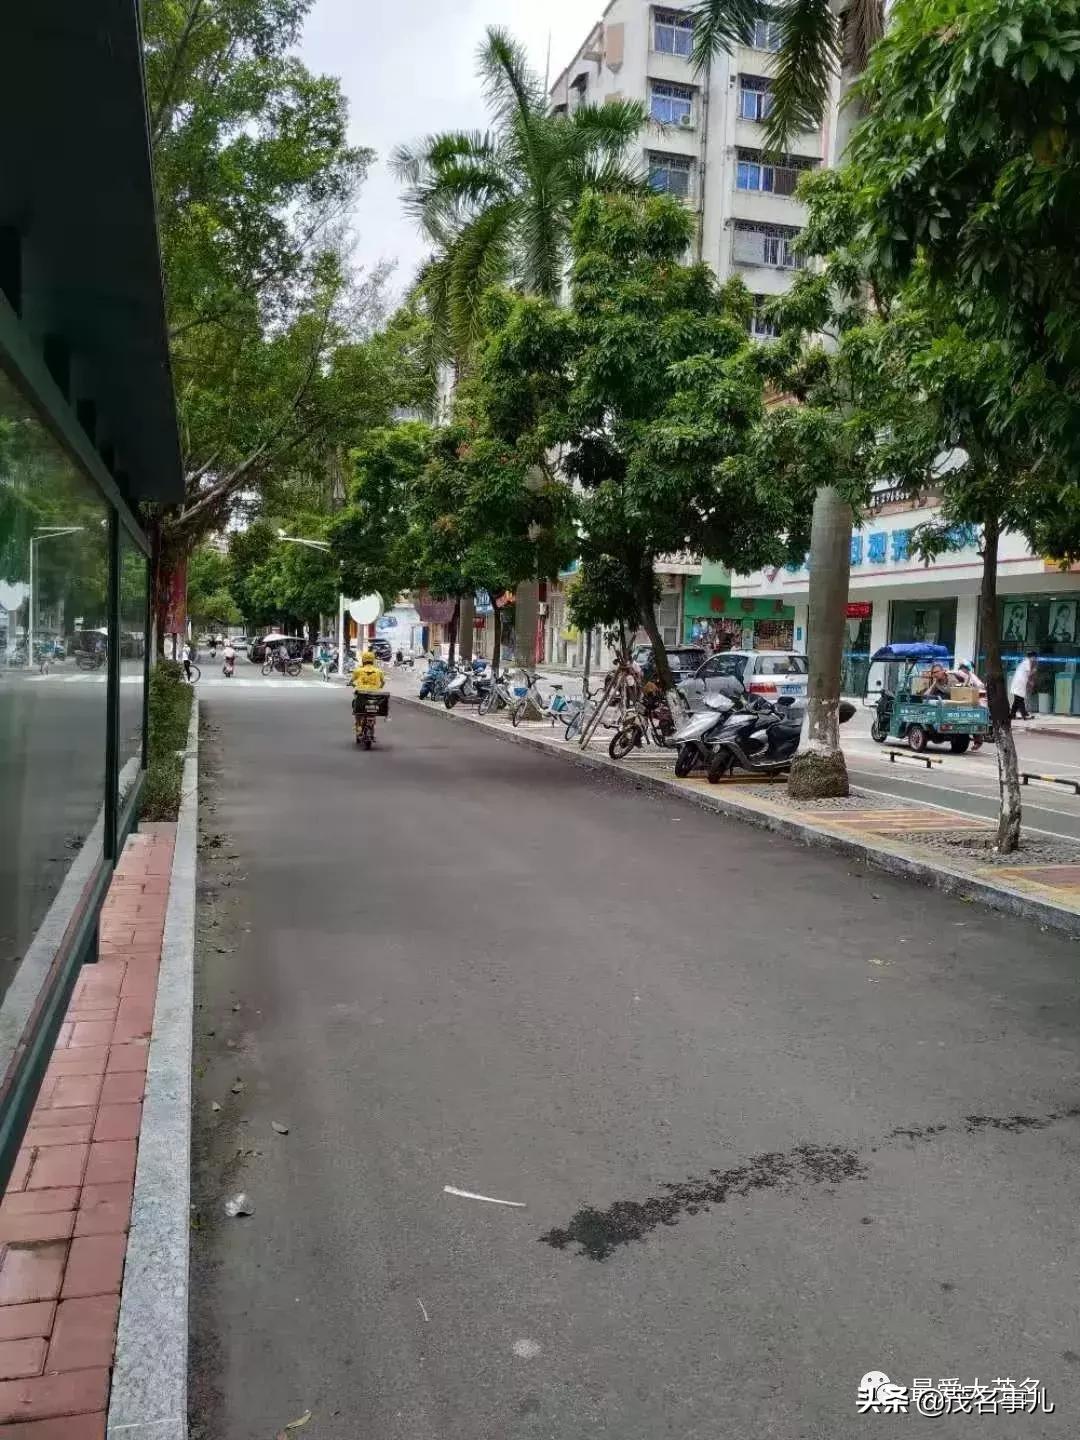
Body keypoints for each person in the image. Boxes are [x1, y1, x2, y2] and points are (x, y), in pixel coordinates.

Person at [1009, 650, 1037, 720]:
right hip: (1019, 683)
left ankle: (1012, 714)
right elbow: (1028, 673)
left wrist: (1029, 682)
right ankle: (1024, 715)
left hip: (1018, 682)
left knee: (1017, 700)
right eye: (1035, 657)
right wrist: (1033, 671)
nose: (1035, 659)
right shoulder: (1027, 662)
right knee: (1020, 699)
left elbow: (1025, 674)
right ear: (1032, 657)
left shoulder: (1024, 662)